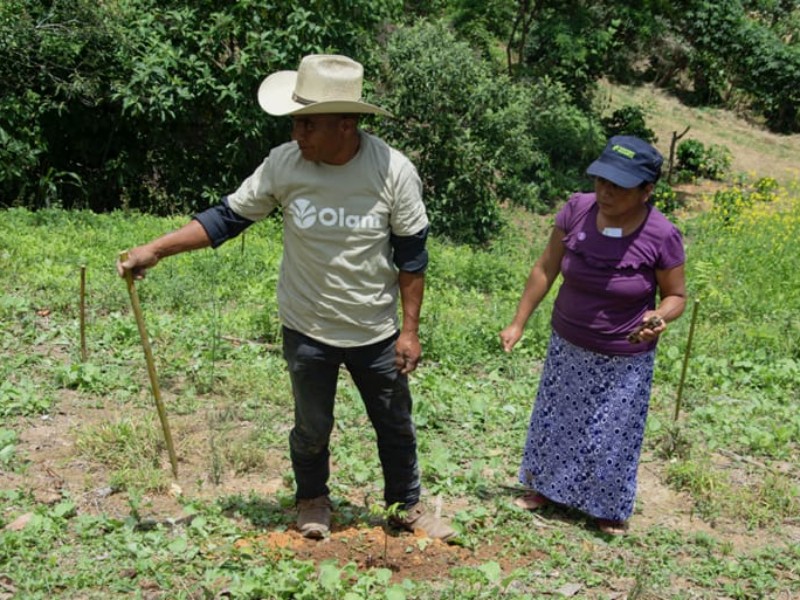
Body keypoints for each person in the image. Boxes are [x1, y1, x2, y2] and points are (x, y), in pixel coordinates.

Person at [117, 54, 455, 541]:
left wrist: (409, 330)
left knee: (394, 425)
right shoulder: (285, 164)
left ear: (346, 124)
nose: (298, 135)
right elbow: (226, 218)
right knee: (312, 427)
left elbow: (412, 256)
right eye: (295, 123)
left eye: (308, 124)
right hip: (307, 325)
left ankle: (405, 504)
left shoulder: (392, 172)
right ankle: (313, 499)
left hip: (375, 331)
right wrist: (156, 249)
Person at [499, 135, 686, 535]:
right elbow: (545, 267)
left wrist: (659, 314)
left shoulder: (661, 234)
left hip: (624, 354)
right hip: (568, 342)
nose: (606, 191)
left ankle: (606, 507)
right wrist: (518, 321)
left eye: (619, 185)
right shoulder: (577, 210)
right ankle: (544, 489)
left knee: (612, 431)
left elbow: (676, 295)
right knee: (556, 418)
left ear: (647, 190)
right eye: (602, 180)